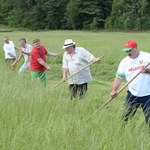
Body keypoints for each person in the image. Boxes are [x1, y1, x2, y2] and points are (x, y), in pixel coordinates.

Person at [110, 40, 150, 128]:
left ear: (136, 48)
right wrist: (114, 90)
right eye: (126, 51)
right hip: (133, 93)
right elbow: (118, 77)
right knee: (126, 117)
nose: (128, 53)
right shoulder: (124, 62)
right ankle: (121, 132)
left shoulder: (147, 57)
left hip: (148, 94)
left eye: (130, 50)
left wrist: (147, 71)